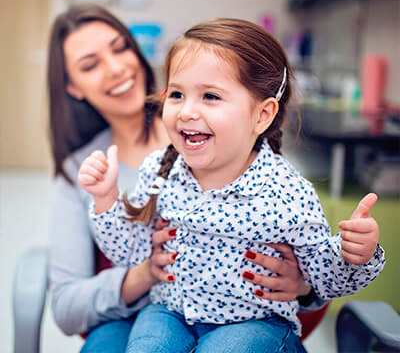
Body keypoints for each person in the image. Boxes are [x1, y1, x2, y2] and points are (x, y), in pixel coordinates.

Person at [78, 18, 385, 353]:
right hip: (169, 313)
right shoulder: (158, 172)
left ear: (262, 116)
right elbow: (129, 252)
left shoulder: (287, 192)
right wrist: (107, 198)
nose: (187, 111)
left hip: (257, 326)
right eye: (177, 94)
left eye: (210, 96)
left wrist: (355, 254)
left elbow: (324, 279)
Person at [48, 5, 319, 353]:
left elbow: (313, 260)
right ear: (73, 87)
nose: (116, 68)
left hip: (244, 320)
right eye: (90, 64)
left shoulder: (240, 146)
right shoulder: (81, 170)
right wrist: (146, 272)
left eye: (120, 48)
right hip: (149, 316)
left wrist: (303, 286)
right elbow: (67, 306)